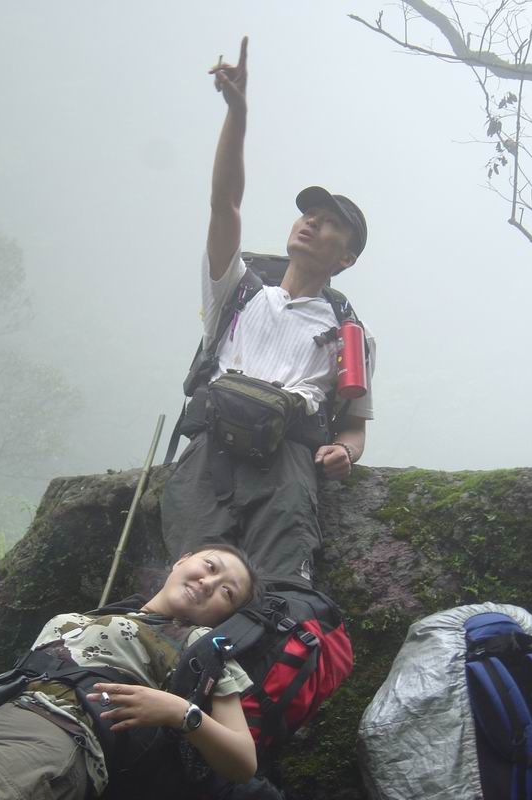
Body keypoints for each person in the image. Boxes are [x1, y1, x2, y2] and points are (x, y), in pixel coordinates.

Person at [162, 37, 376, 585]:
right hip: (209, 454)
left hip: (289, 465)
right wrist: (237, 113)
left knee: (279, 592)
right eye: (309, 214)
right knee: (190, 589)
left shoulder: (350, 334)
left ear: (347, 258)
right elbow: (225, 203)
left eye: (331, 223)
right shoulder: (237, 290)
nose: (312, 223)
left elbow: (353, 426)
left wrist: (344, 453)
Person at [0, 545, 260, 799]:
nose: (209, 583)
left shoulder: (201, 645)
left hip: (59, 737)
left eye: (227, 592)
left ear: (224, 618)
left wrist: (179, 711)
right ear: (182, 560)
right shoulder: (96, 616)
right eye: (210, 566)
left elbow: (244, 761)